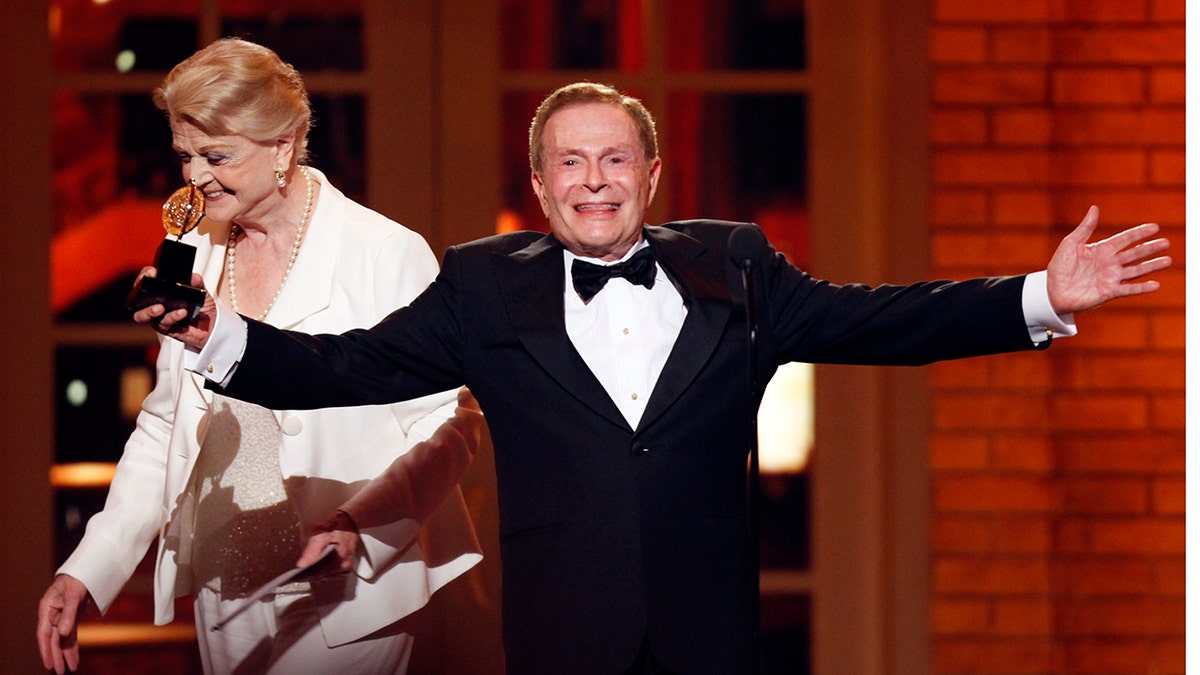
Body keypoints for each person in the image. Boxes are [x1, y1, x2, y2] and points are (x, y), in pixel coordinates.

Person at [137, 81, 1172, 674]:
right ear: (540, 186)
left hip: (709, 636)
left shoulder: (736, 265)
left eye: (616, 160)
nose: (596, 181)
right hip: (563, 634)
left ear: (653, 176)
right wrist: (215, 332)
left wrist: (1040, 292)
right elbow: (346, 366)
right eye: (573, 164)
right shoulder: (482, 287)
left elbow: (879, 318)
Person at [37, 38, 485, 675]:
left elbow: (452, 425)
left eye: (216, 155)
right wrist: (90, 568)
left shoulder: (385, 253)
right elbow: (165, 424)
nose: (194, 177)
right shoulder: (193, 245)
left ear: (284, 143)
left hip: (348, 591)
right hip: (225, 585)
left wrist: (365, 522)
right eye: (186, 156)